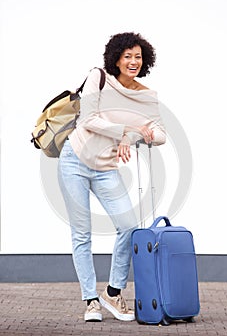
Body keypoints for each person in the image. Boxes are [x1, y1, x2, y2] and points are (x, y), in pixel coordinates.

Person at [58, 32, 166, 322]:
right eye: (127, 55)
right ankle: (90, 301)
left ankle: (113, 293)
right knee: (82, 234)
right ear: (116, 57)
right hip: (74, 160)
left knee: (128, 227)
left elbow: (161, 135)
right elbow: (88, 120)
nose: (133, 61)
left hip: (107, 169)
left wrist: (129, 137)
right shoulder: (99, 77)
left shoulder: (146, 97)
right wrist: (126, 132)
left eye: (138, 56)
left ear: (145, 61)